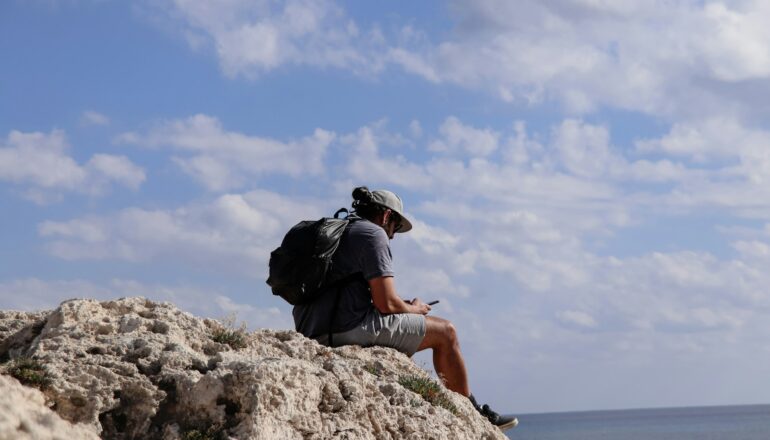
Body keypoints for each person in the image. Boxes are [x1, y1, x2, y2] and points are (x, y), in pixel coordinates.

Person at [293, 186, 517, 429]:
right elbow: (386, 303)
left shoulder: (337, 232)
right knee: (446, 332)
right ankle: (474, 416)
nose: (393, 235)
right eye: (396, 227)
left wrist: (403, 306)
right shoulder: (372, 234)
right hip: (344, 329)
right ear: (387, 216)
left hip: (309, 328)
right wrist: (416, 309)